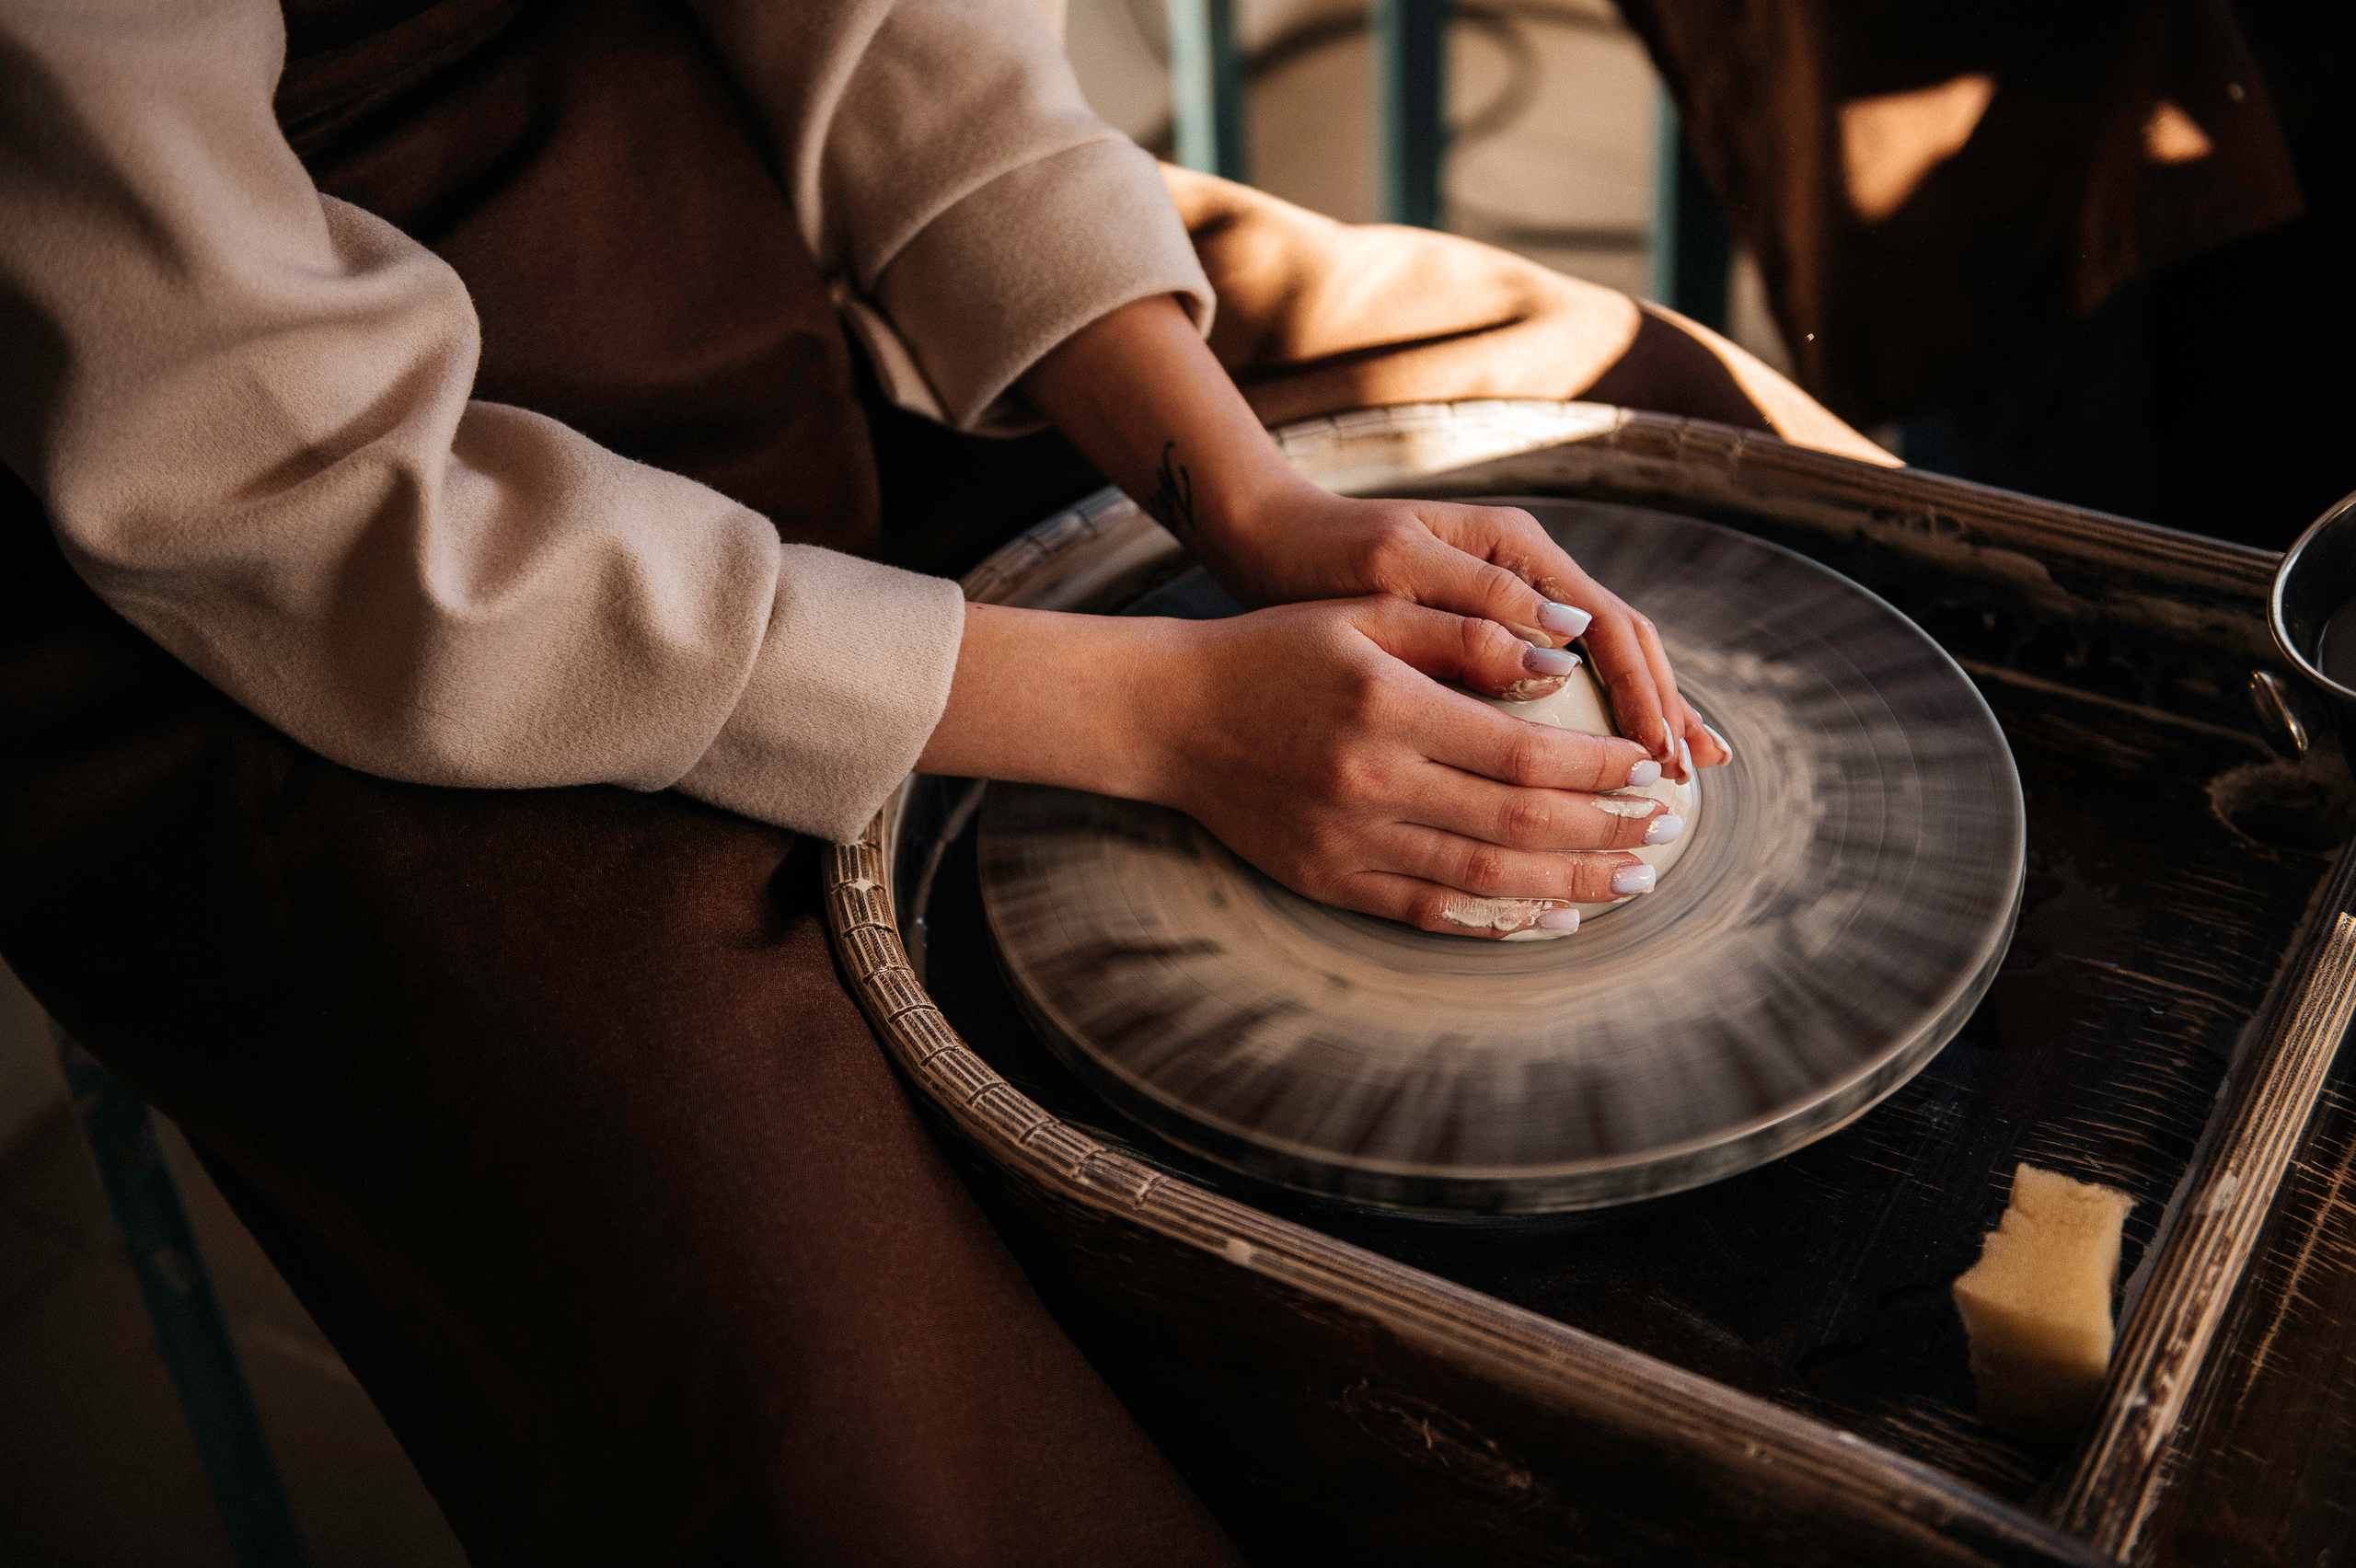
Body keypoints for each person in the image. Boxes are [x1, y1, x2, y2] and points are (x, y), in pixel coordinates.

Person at [0, 0, 1879, 1562]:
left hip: (727, 228)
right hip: (257, 570)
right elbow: (289, 500)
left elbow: (892, 33)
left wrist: (1248, 496)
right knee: (853, 1411)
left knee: (1661, 426)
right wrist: (1156, 714)